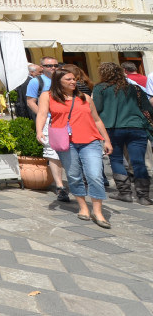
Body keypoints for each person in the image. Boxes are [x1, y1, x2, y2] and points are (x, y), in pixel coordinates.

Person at [36, 68, 113, 228]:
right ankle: (83, 207)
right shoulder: (47, 96)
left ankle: (98, 211)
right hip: (66, 142)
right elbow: (42, 114)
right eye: (69, 79)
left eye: (74, 79)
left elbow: (97, 120)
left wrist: (106, 140)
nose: (73, 82)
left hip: (90, 141)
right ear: (58, 81)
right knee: (74, 175)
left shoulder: (84, 97)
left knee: (95, 175)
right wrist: (39, 131)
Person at [93, 63, 153, 205]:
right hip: (136, 127)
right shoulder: (135, 88)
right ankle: (143, 196)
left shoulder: (100, 88)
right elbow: (147, 109)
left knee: (116, 159)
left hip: (112, 128)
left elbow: (97, 109)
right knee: (138, 161)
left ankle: (124, 193)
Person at [27, 56, 69, 202]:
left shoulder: (64, 80)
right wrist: (42, 116)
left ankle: (74, 179)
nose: (52, 68)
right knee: (52, 151)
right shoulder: (36, 81)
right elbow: (30, 101)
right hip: (49, 120)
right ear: (42, 67)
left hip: (67, 120)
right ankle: (59, 185)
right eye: (49, 66)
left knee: (71, 149)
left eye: (55, 66)